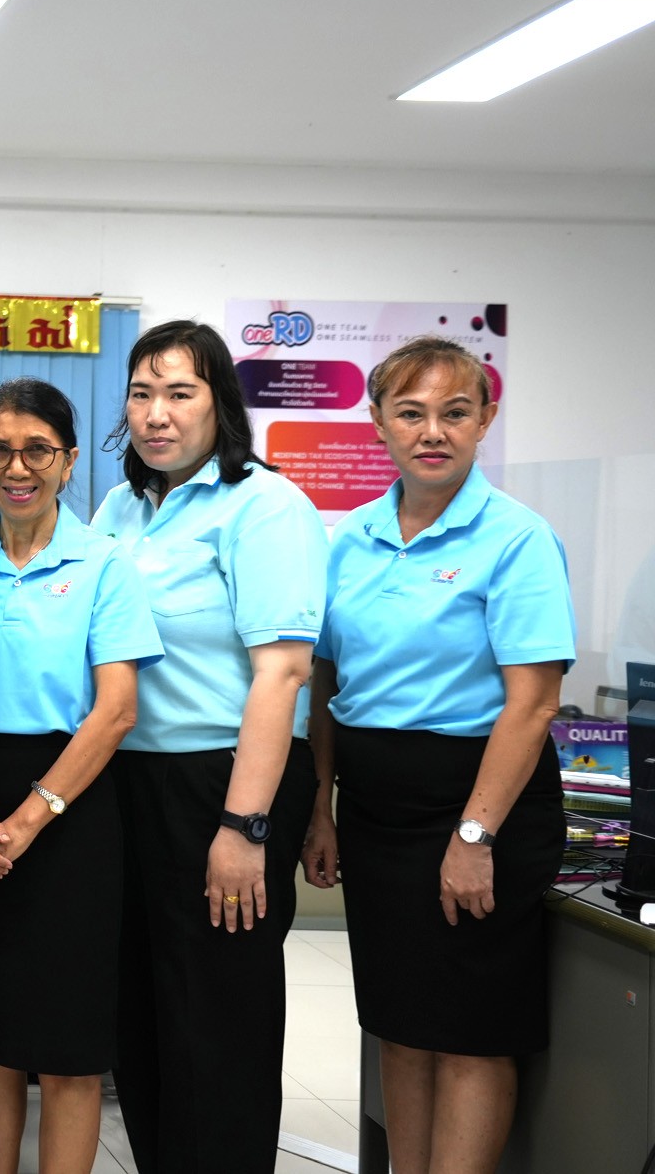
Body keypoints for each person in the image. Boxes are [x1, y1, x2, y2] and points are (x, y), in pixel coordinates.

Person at [301, 336, 572, 1174]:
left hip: (480, 809)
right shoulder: (350, 539)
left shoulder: (517, 538)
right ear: (378, 421)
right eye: (411, 412)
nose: (432, 431)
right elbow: (326, 679)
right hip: (376, 815)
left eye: (454, 412)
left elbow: (533, 702)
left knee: (469, 1033)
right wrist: (321, 807)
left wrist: (474, 836)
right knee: (401, 1024)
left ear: (484, 420)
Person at [89, 319, 328, 1174]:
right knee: (143, 1014)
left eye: (179, 393)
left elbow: (283, 672)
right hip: (127, 779)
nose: (156, 414)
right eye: (141, 393)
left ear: (219, 403)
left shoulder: (265, 506)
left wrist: (243, 826)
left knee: (216, 1018)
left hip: (224, 782)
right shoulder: (120, 507)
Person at [0, 378, 161, 1174]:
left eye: (38, 450)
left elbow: (116, 710)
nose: (17, 467)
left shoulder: (105, 564)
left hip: (71, 813)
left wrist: (28, 819)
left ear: (68, 461)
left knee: (68, 1048)